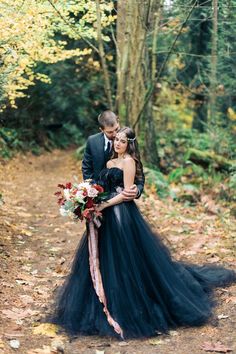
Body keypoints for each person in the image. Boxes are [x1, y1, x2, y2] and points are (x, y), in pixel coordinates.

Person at [51, 127, 235, 339]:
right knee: (104, 258)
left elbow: (126, 194)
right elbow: (102, 185)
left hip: (121, 214)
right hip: (105, 215)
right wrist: (87, 199)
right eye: (116, 140)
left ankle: (131, 305)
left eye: (122, 141)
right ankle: (104, 300)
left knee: (125, 256)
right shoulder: (110, 161)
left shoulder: (129, 162)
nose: (118, 143)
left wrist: (104, 205)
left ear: (129, 144)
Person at [82, 110, 145, 200]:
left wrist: (137, 190)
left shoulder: (128, 139)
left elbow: (139, 171)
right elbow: (86, 168)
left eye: (116, 129)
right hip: (97, 196)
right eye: (110, 132)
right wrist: (93, 189)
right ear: (102, 129)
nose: (115, 134)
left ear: (118, 121)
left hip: (119, 199)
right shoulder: (92, 141)